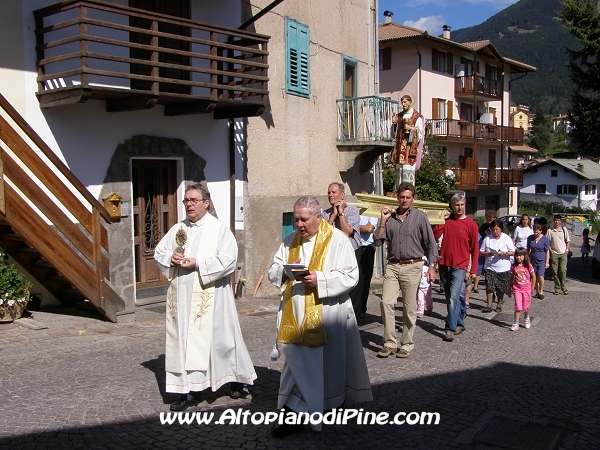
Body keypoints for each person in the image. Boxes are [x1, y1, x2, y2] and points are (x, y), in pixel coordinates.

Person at [267, 196, 372, 437]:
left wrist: (320, 279)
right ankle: (292, 414)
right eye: (296, 220)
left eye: (304, 220)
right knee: (294, 364)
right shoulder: (289, 241)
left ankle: (328, 404)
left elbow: (350, 276)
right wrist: (285, 270)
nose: (299, 225)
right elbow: (273, 269)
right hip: (295, 311)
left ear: (318, 217)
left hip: (328, 312)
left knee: (327, 364)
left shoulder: (338, 240)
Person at [154, 184, 256, 411]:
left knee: (221, 342)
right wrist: (171, 258)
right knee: (185, 342)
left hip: (212, 298)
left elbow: (229, 260)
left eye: (193, 200)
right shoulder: (179, 228)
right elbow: (160, 251)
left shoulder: (218, 229)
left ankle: (234, 379)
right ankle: (189, 390)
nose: (188, 204)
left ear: (206, 203)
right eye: (186, 201)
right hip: (182, 298)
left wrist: (198, 263)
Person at [374, 182, 438, 358]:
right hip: (393, 265)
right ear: (397, 197)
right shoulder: (390, 217)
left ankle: (407, 343)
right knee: (386, 302)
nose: (404, 200)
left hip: (413, 265)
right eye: (402, 197)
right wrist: (383, 221)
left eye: (408, 197)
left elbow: (430, 244)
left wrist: (432, 266)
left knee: (409, 307)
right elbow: (377, 242)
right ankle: (389, 343)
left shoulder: (420, 217)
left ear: (413, 198)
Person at [433, 192, 479, 342]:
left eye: (462, 205)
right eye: (456, 205)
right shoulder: (447, 221)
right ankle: (460, 322)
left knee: (453, 297)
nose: (459, 208)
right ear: (452, 206)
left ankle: (449, 329)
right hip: (444, 264)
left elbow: (475, 249)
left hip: (460, 266)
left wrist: (473, 270)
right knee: (450, 297)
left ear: (465, 205)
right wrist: (441, 220)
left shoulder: (471, 225)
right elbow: (434, 235)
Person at [321, 182, 364, 316]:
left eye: (333, 192)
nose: (330, 195)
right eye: (329, 192)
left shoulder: (352, 210)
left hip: (352, 252)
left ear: (342, 194)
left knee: (355, 287)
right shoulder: (325, 214)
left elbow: (347, 232)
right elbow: (323, 235)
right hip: (333, 255)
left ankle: (355, 318)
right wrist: (333, 215)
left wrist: (341, 213)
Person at [480, 219, 516, 313]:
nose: (495, 232)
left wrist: (505, 253)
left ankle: (499, 304)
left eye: (497, 229)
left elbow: (513, 252)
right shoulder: (487, 238)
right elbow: (481, 251)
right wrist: (487, 254)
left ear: (501, 229)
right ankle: (489, 305)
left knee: (500, 288)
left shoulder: (506, 238)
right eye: (493, 229)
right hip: (490, 266)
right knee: (489, 286)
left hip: (503, 267)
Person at [391, 95, 424, 186]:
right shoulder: (399, 116)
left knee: (407, 169)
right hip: (400, 147)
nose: (403, 104)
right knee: (399, 171)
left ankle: (408, 190)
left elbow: (420, 134)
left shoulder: (417, 117)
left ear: (410, 102)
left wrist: (411, 129)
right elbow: (393, 134)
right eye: (402, 102)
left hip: (409, 148)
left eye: (405, 102)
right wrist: (394, 123)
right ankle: (398, 190)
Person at [508, 248, 536, 331]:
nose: (518, 257)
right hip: (517, 289)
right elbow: (511, 278)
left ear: (524, 256)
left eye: (520, 255)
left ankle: (527, 318)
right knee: (518, 306)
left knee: (526, 306)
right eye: (517, 255)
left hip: (526, 289)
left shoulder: (528, 266)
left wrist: (532, 288)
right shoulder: (514, 266)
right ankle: (516, 323)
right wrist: (509, 289)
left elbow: (533, 277)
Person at [358, 208, 379, 319]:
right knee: (356, 279)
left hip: (368, 247)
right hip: (356, 246)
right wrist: (361, 227)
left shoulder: (372, 212)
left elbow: (369, 228)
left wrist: (354, 227)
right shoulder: (356, 210)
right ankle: (355, 307)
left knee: (366, 279)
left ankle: (362, 309)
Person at [546, 215, 570, 295]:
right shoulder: (550, 231)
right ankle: (557, 287)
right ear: (553, 221)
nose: (557, 222)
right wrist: (550, 249)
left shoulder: (564, 229)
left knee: (562, 270)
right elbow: (547, 242)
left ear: (560, 221)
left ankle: (564, 287)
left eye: (558, 220)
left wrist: (566, 250)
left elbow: (568, 240)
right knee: (555, 271)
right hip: (554, 253)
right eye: (555, 220)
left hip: (563, 252)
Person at [527, 224, 550, 299]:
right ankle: (537, 292)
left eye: (537, 232)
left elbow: (547, 251)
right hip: (533, 259)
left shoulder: (545, 239)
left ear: (541, 231)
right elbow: (528, 250)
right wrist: (526, 260)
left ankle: (541, 291)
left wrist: (547, 262)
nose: (535, 233)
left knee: (540, 275)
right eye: (534, 232)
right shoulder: (530, 238)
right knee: (534, 276)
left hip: (541, 260)